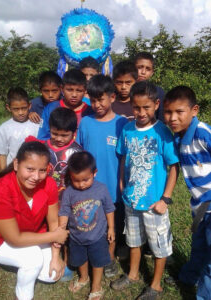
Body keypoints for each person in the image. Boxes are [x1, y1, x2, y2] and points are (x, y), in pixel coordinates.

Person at [111, 81, 179, 300]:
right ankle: (132, 274)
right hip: (131, 200)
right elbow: (123, 157)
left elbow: (174, 167)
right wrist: (122, 183)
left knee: (159, 245)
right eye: (136, 107)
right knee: (133, 240)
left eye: (146, 107)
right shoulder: (127, 129)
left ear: (156, 104)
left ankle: (156, 285)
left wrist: (165, 199)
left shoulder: (163, 133)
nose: (141, 112)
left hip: (154, 203)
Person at [0, 141, 69, 300]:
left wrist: (55, 256)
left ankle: (28, 261)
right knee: (32, 260)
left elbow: (53, 222)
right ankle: (22, 296)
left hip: (33, 233)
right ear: (16, 164)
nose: (36, 177)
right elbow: (14, 239)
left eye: (42, 170)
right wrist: (54, 237)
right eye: (30, 169)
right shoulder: (1, 192)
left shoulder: (49, 184)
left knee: (50, 275)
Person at [76, 74, 128, 278]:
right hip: (90, 188)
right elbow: (80, 153)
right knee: (93, 225)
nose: (97, 104)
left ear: (112, 97)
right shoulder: (86, 123)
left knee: (112, 227)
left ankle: (109, 259)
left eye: (101, 99)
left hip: (114, 188)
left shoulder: (122, 124)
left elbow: (126, 157)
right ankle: (92, 256)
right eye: (94, 99)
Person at [164, 86, 211, 300]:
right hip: (199, 206)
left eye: (179, 112)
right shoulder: (177, 138)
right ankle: (189, 277)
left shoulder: (203, 132)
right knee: (199, 247)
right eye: (168, 112)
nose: (173, 118)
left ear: (194, 110)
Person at [59, 151, 115, 300]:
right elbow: (64, 211)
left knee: (98, 262)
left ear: (94, 173)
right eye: (76, 180)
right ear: (70, 175)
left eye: (85, 179)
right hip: (76, 237)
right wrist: (61, 228)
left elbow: (109, 209)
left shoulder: (101, 189)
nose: (81, 184)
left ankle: (96, 286)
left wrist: (111, 228)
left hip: (98, 236)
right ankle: (84, 278)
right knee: (80, 260)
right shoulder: (69, 192)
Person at [0, 87, 39, 170]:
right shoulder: (4, 128)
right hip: (13, 171)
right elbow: (2, 154)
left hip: (35, 170)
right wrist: (3, 175)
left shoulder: (38, 123)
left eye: (24, 108)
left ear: (29, 106)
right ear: (8, 108)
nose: (20, 113)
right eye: (16, 109)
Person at [37, 69, 93, 140]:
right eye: (69, 90)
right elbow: (42, 136)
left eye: (79, 90)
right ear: (62, 88)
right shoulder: (51, 108)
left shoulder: (90, 112)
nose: (74, 95)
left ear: (85, 91)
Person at [134, 52, 165, 122]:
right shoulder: (124, 90)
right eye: (139, 67)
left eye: (148, 69)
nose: (143, 72)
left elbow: (161, 122)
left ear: (152, 73)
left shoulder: (158, 92)